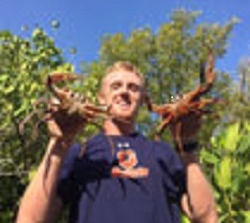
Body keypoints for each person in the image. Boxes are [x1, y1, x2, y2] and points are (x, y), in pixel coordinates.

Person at [16, 61, 218, 223]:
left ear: (143, 101)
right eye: (116, 86)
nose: (124, 92)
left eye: (133, 88)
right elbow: (29, 219)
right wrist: (58, 143)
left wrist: (188, 146)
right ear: (101, 99)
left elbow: (206, 217)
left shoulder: (162, 152)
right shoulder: (80, 153)